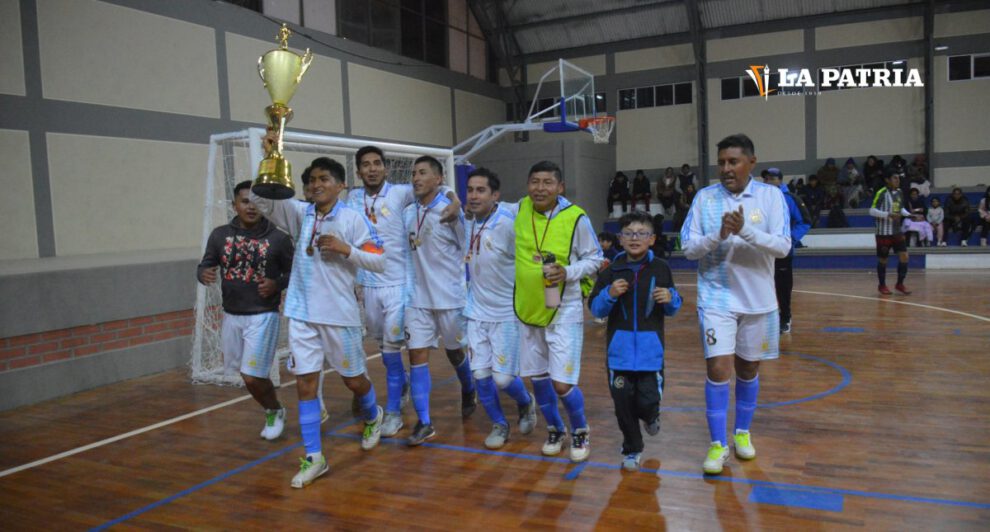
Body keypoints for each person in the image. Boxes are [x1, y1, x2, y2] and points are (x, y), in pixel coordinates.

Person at [250, 157, 387, 488]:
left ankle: (373, 415)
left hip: (339, 316)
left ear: (340, 186)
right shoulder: (300, 212)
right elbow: (258, 200)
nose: (315, 185)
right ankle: (315, 457)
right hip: (301, 313)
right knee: (305, 383)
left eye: (324, 179)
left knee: (354, 381)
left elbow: (380, 261)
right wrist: (271, 156)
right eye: (311, 180)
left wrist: (345, 249)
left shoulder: (353, 219)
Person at [680, 134, 791, 475]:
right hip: (717, 298)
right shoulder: (704, 198)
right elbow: (688, 248)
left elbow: (783, 247)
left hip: (759, 301)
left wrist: (745, 231)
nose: (726, 168)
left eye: (733, 161)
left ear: (751, 163)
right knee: (718, 369)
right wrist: (720, 235)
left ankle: (742, 432)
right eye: (722, 162)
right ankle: (717, 444)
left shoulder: (771, 197)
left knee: (748, 370)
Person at [344, 145, 462, 437]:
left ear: (385, 168)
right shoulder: (352, 197)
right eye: (366, 165)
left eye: (377, 163)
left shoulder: (400, 192)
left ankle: (394, 412)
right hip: (368, 286)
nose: (372, 169)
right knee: (384, 353)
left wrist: (454, 199)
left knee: (393, 350)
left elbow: (437, 186)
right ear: (358, 171)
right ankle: (403, 387)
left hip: (400, 286)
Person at [514, 161, 603, 462]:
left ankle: (580, 429)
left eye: (547, 182)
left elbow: (595, 259)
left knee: (561, 383)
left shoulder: (576, 217)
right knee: (538, 379)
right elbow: (483, 207)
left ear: (560, 187)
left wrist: (567, 271)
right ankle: (555, 428)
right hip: (529, 308)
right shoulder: (518, 210)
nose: (540, 188)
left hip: (564, 308)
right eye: (534, 182)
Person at [197, 181, 294, 441]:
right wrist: (202, 272)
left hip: (263, 315)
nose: (251, 207)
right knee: (245, 375)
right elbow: (206, 262)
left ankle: (274, 410)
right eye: (245, 201)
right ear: (234, 205)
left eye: (256, 202)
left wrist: (277, 284)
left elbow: (295, 271)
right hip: (231, 314)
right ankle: (274, 406)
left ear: (265, 205)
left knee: (252, 376)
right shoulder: (219, 235)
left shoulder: (279, 237)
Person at [589, 211, 682, 471]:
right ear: (619, 238)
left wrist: (670, 298)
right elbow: (596, 309)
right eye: (628, 233)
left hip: (651, 354)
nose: (634, 238)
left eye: (641, 233)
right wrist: (609, 293)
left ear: (652, 239)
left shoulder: (660, 268)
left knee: (647, 400)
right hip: (618, 353)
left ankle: (651, 415)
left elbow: (674, 306)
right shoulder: (611, 270)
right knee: (622, 404)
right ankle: (632, 447)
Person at [401, 155, 476, 446]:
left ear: (438, 179)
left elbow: (468, 246)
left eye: (422, 173)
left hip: (450, 299)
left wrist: (456, 206)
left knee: (456, 352)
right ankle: (424, 422)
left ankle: (468, 388)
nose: (416, 178)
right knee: (417, 357)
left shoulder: (451, 211)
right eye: (413, 173)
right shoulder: (407, 213)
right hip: (417, 299)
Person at [462, 167, 538, 449]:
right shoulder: (466, 220)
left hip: (506, 313)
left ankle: (526, 401)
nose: (473, 195)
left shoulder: (510, 222)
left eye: (481, 190)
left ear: (496, 196)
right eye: (470, 190)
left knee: (503, 379)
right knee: (480, 375)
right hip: (475, 312)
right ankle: (499, 424)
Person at [763, 168, 810, 334]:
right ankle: (767, 318)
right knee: (763, 286)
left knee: (782, 287)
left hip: (783, 253)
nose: (767, 181)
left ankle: (785, 317)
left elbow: (805, 221)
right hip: (762, 253)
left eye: (771, 178)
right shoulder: (759, 199)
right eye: (766, 178)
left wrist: (790, 240)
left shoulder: (790, 199)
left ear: (780, 181)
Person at [869, 172, 913, 295]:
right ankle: (882, 285)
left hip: (897, 231)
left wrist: (910, 215)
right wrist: (887, 214)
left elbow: (900, 209)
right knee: (883, 260)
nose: (897, 180)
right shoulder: (881, 192)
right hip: (883, 233)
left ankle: (900, 284)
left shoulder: (899, 192)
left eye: (898, 178)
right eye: (894, 178)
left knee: (904, 256)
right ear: (887, 180)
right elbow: (872, 211)